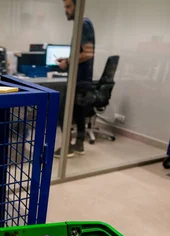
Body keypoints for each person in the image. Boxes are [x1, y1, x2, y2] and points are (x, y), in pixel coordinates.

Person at [54, 0, 95, 158]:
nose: (66, 10)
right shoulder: (83, 24)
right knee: (78, 112)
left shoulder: (84, 24)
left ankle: (67, 148)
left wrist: (68, 62)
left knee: (63, 111)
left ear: (78, 7)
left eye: (68, 7)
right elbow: (83, 52)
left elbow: (88, 53)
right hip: (81, 78)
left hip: (79, 80)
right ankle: (78, 145)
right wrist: (68, 58)